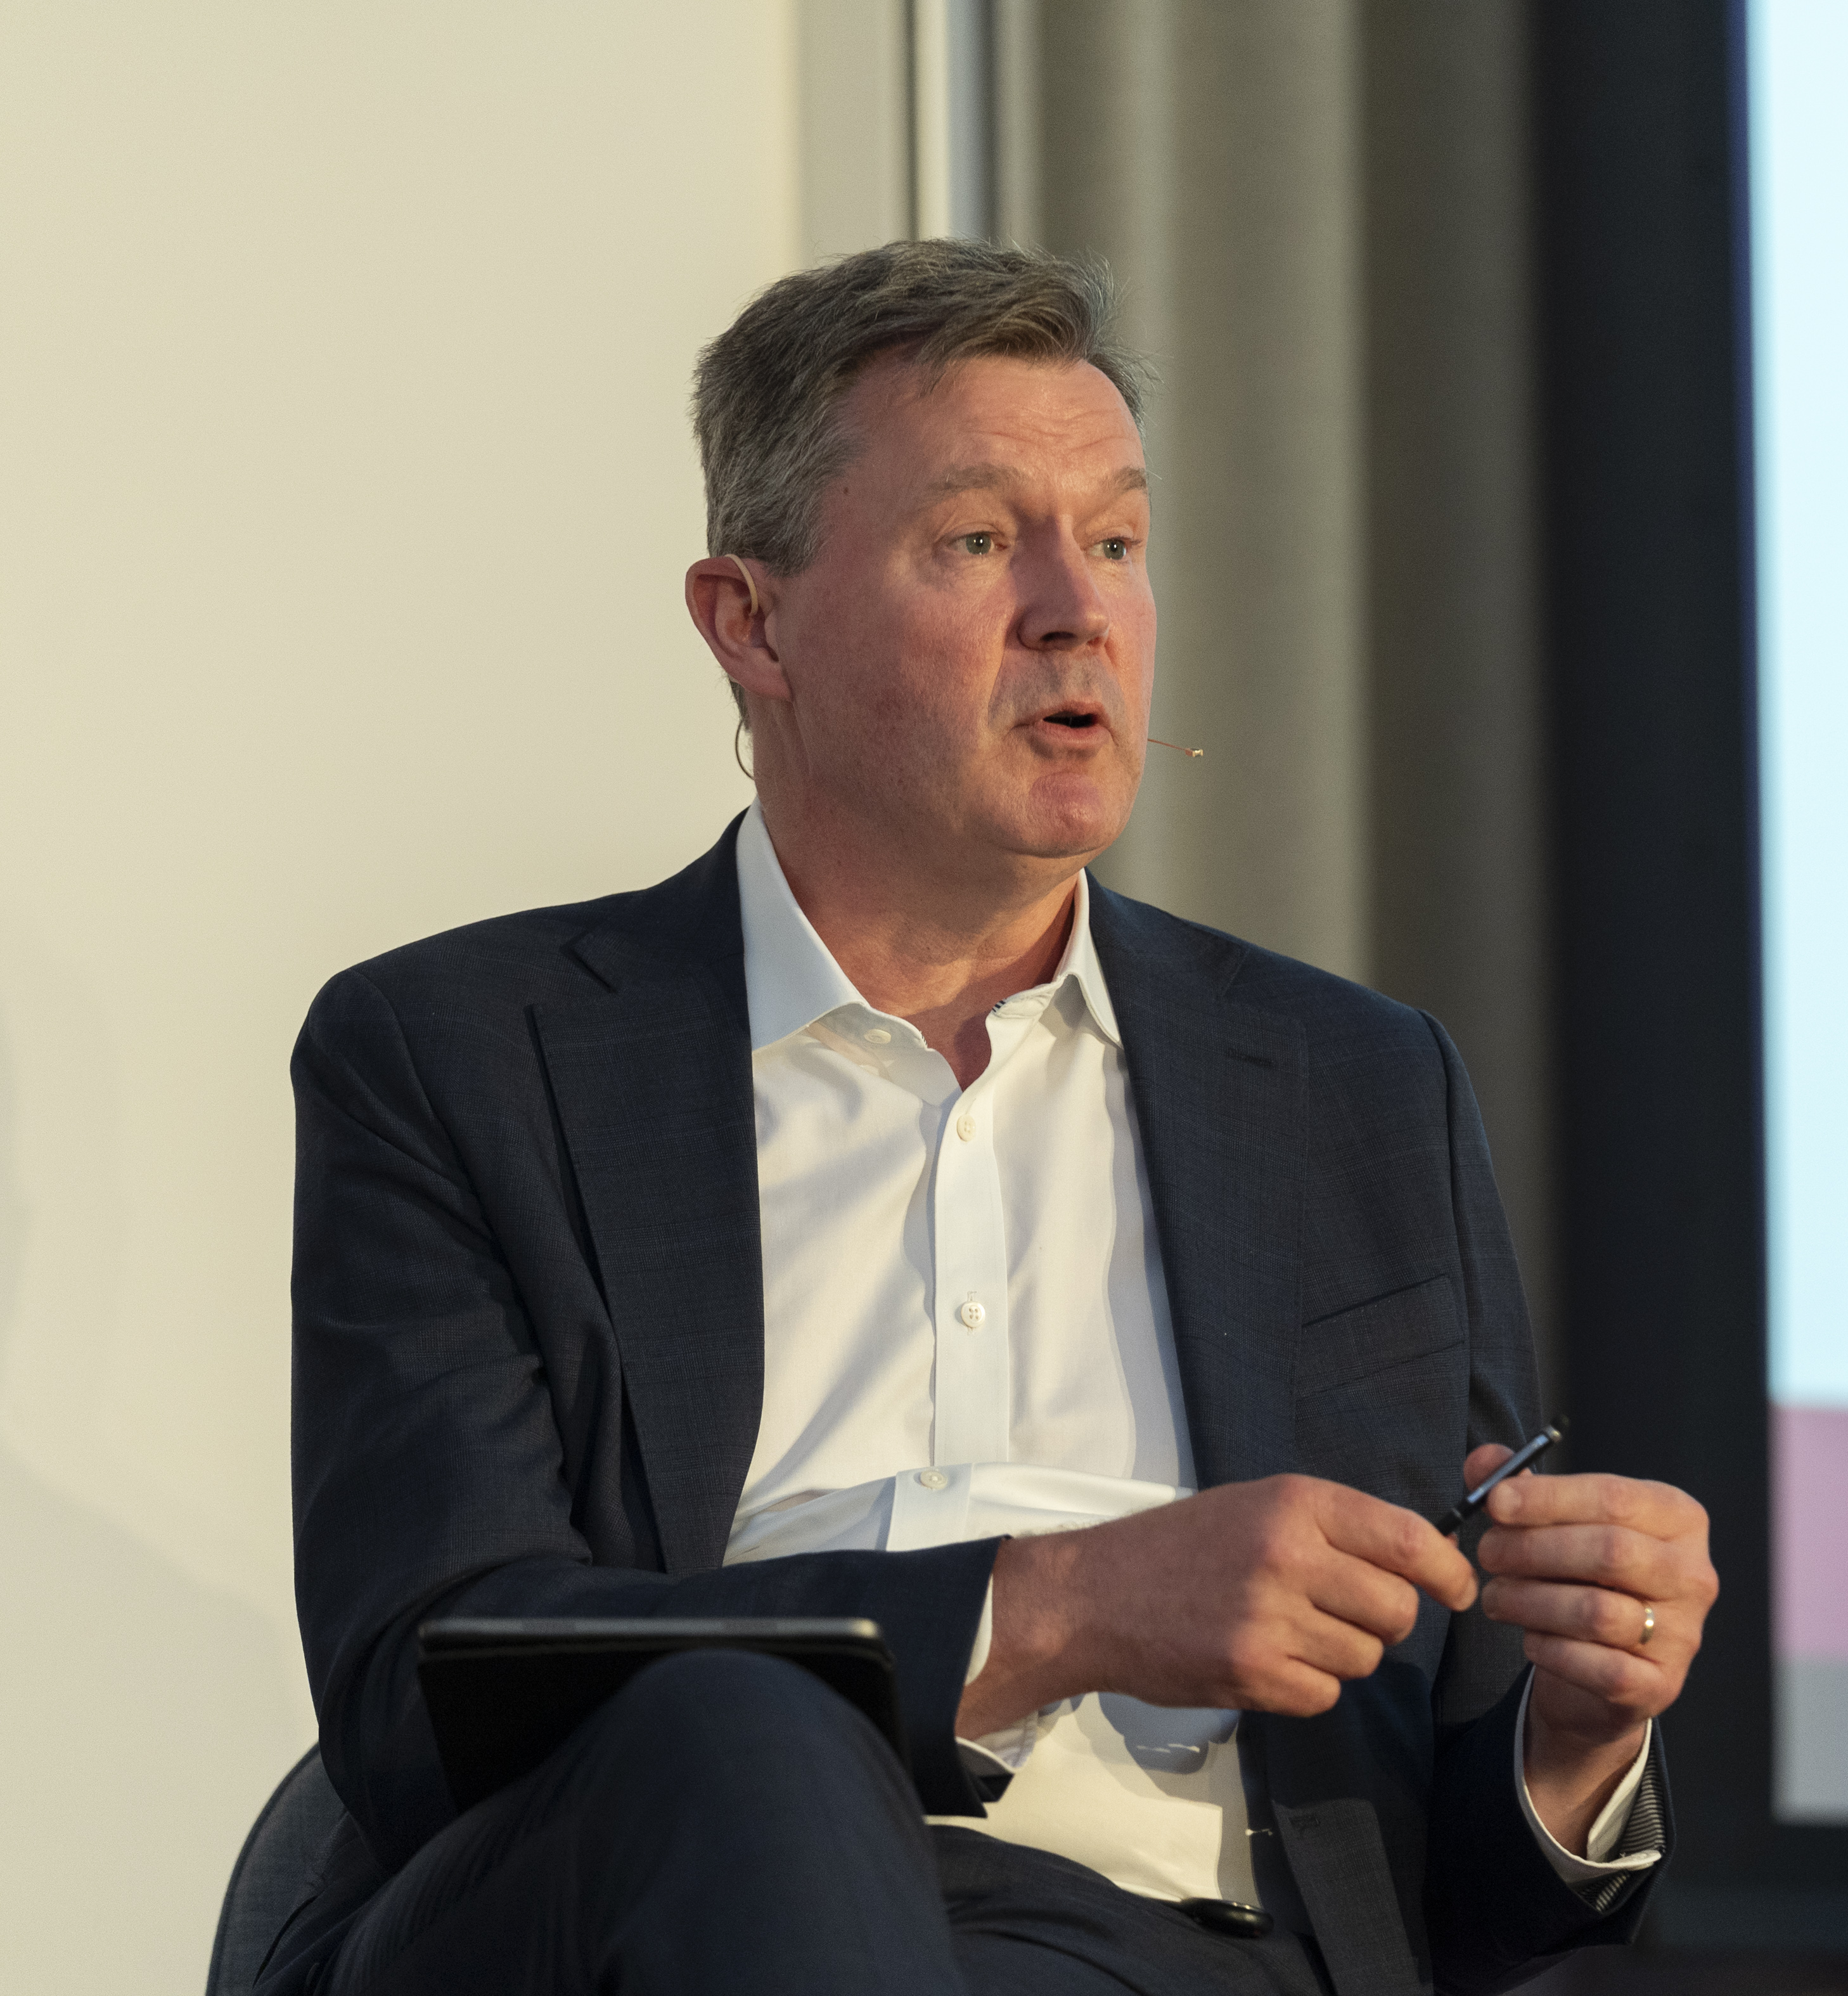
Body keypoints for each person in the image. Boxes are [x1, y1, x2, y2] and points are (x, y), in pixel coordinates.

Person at [264, 240, 1717, 1996]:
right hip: (634, 1905)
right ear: (753, 622)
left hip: (1192, 1955)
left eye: (1113, 538)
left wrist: (1573, 1733)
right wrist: (1052, 1613)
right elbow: (430, 1683)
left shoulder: (1353, 1090)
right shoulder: (465, 1055)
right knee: (742, 1730)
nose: (1075, 606)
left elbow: (1444, 1894)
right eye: (975, 540)